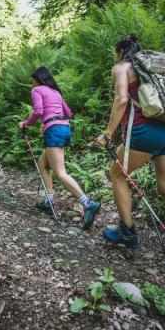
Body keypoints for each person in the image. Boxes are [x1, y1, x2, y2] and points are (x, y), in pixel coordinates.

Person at [96, 35, 165, 288]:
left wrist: (108, 134)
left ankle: (127, 232)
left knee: (116, 174)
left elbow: (122, 100)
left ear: (120, 51)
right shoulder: (156, 71)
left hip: (145, 132)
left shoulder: (122, 67)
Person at [19, 66, 101, 230]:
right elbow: (69, 113)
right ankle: (48, 201)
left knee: (60, 172)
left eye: (32, 80)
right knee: (43, 165)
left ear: (37, 79)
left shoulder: (37, 90)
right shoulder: (56, 92)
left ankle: (88, 203)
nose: (32, 83)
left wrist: (25, 123)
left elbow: (38, 110)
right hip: (64, 129)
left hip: (54, 130)